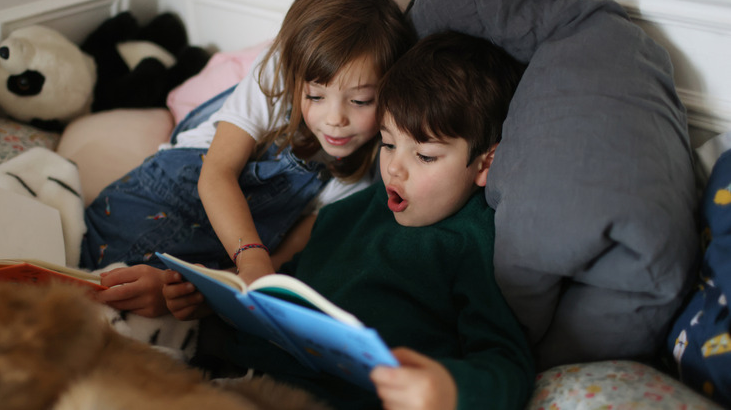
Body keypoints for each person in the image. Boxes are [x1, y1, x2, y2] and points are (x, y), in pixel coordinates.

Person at [164, 31, 534, 410]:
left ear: (485, 163)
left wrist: (450, 389)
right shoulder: (349, 213)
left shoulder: (471, 240)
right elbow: (286, 289)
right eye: (388, 144)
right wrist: (211, 299)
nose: (394, 169)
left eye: (425, 156)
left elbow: (508, 364)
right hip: (247, 375)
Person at [78, 0, 415, 317]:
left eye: (359, 101)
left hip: (223, 251)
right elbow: (217, 173)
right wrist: (251, 257)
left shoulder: (363, 177)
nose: (334, 119)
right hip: (169, 195)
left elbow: (281, 259)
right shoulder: (274, 73)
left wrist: (211, 289)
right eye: (315, 95)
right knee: (93, 287)